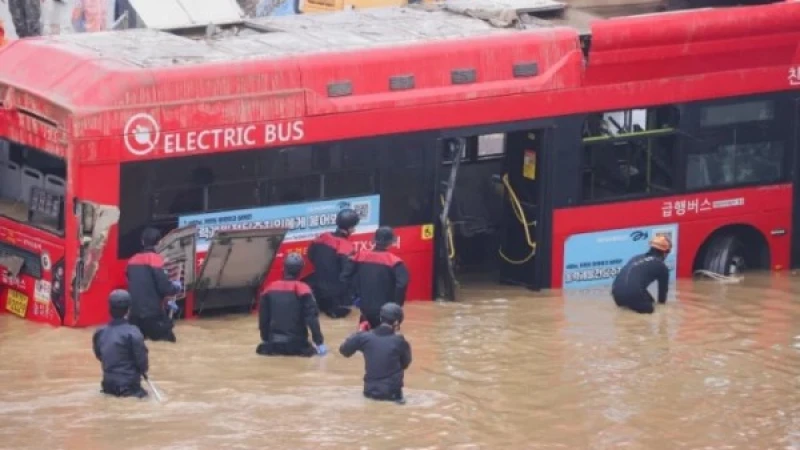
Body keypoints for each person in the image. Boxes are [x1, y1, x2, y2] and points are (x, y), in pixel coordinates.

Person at [339, 302, 411, 405]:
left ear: (381, 318)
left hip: (369, 392)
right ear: (396, 322)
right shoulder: (400, 341)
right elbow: (405, 364)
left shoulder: (364, 337)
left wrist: (359, 333)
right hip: (393, 395)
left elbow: (344, 351)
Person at [257, 252, 326, 357]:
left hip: (274, 345)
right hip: (298, 346)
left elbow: (263, 319)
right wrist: (319, 342)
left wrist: (266, 339)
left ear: (284, 268)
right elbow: (312, 319)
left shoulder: (269, 289)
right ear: (301, 270)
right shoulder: (303, 289)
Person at [341, 226, 409, 331]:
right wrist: (396, 306)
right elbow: (402, 284)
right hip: (386, 313)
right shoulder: (395, 262)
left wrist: (354, 297)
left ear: (374, 241)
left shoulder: (359, 257)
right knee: (386, 338)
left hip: (365, 309)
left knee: (364, 337)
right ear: (391, 243)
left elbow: (345, 277)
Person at [126, 227, 181, 342]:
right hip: (153, 316)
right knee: (169, 340)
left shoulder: (131, 261)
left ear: (142, 242)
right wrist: (176, 287)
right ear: (159, 242)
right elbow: (165, 288)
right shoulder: (155, 260)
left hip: (134, 316)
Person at [92, 289, 149, 398]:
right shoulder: (133, 332)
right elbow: (142, 362)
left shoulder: (100, 332)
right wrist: (141, 370)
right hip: (129, 387)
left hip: (108, 385)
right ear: (128, 310)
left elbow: (99, 355)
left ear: (109, 308)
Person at [307, 208, 360, 319]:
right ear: (350, 228)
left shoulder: (322, 237)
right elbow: (347, 274)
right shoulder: (346, 246)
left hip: (318, 294)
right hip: (334, 300)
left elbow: (310, 255)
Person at [611, 235, 672, 314]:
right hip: (634, 293)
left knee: (650, 301)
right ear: (665, 252)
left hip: (616, 293)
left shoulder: (635, 257)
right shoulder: (662, 267)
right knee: (652, 312)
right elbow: (662, 299)